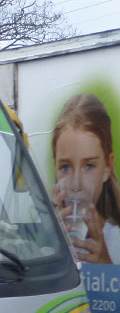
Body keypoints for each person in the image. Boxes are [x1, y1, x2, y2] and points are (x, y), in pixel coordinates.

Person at [51, 93, 120, 263]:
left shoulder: (116, 240)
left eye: (89, 166)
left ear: (107, 168)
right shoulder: (42, 241)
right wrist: (50, 241)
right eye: (65, 167)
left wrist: (105, 264)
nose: (76, 184)